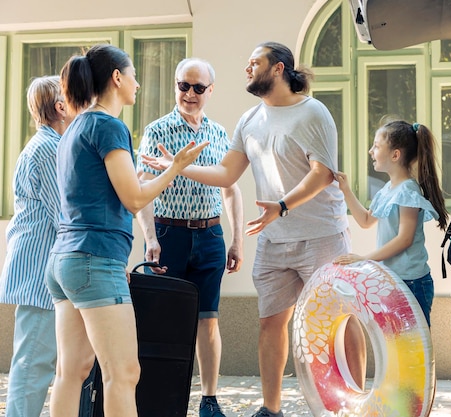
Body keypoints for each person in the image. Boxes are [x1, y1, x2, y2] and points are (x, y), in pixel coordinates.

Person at [141, 41, 366, 417]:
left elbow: (322, 173)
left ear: (278, 68)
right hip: (275, 238)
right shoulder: (250, 120)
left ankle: (354, 404)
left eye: (254, 63)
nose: (247, 69)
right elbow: (227, 174)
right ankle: (271, 408)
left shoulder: (313, 112)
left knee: (338, 322)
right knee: (270, 324)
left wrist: (281, 206)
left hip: (321, 236)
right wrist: (177, 167)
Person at [44, 44, 207, 417]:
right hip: (93, 261)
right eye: (133, 75)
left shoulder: (74, 128)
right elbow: (133, 199)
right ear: (117, 78)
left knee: (72, 371)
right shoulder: (107, 125)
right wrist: (175, 167)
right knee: (124, 373)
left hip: (66, 261)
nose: (137, 84)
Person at [135, 57, 244, 417]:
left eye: (199, 87)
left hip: (210, 234)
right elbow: (141, 189)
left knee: (208, 319)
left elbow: (230, 188)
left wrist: (236, 239)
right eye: (184, 85)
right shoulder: (157, 130)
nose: (190, 93)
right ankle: (158, 399)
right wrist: (151, 238)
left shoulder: (218, 132)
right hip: (169, 234)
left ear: (211, 91)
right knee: (162, 321)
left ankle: (209, 401)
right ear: (175, 86)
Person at [0, 76, 72, 417]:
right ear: (60, 107)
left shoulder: (53, 145)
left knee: (41, 361)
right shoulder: (47, 149)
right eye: (73, 97)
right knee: (33, 363)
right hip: (39, 273)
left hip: (48, 270)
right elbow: (66, 214)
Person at [333, 120, 449, 326]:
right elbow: (366, 221)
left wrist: (364, 259)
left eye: (376, 146)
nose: (371, 151)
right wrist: (346, 190)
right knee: (400, 346)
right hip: (393, 280)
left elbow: (404, 239)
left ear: (395, 155)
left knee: (416, 347)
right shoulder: (388, 189)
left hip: (412, 283)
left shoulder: (407, 191)